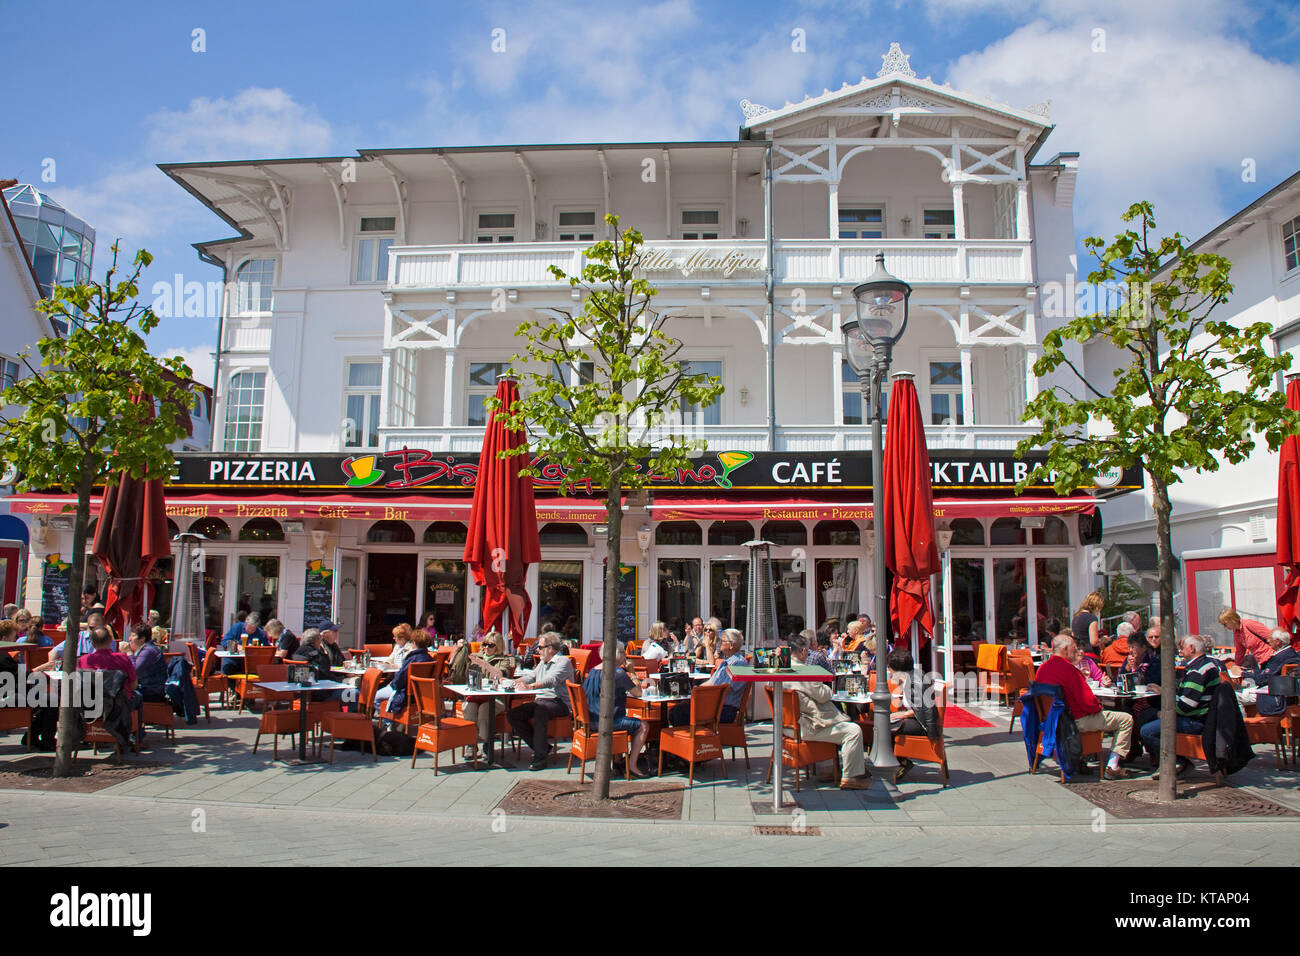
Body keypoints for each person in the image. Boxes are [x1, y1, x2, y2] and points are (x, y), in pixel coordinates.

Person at [1034, 633, 1133, 777]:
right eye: (1074, 649)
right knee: (1126, 719)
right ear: (1065, 649)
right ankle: (1113, 765)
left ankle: (1078, 760)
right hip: (1073, 721)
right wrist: (1099, 707)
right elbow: (1088, 703)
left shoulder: (1042, 668)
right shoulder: (1069, 670)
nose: (1077, 652)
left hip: (1051, 720)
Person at [787, 633, 870, 789]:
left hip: (787, 726)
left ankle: (828, 770)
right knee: (853, 731)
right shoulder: (803, 672)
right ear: (803, 651)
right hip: (805, 726)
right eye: (807, 651)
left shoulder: (782, 669)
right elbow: (824, 695)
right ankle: (850, 777)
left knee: (829, 722)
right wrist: (826, 687)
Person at [1138, 633, 1221, 776]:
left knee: (1147, 731)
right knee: (1145, 715)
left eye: (1182, 648)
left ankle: (1178, 761)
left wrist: (1165, 714)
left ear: (1192, 648)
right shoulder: (1204, 664)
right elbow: (1186, 697)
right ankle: (1159, 758)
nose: (1180, 651)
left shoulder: (1197, 671)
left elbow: (1186, 706)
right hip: (1197, 716)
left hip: (1195, 720)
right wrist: (1164, 691)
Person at [506, 631, 575, 770]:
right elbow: (531, 676)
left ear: (550, 648)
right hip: (541, 701)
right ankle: (542, 747)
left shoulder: (563, 662)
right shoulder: (543, 662)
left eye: (540, 647)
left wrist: (530, 687)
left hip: (559, 702)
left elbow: (551, 680)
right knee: (513, 714)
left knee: (540, 710)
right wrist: (511, 682)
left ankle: (540, 758)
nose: (537, 650)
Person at [583, 642, 650, 777]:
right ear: (616, 654)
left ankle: (618, 761)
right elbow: (638, 692)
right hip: (608, 723)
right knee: (643, 726)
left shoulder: (592, 671)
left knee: (620, 714)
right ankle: (632, 765)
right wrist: (632, 671)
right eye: (623, 652)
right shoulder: (618, 672)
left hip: (591, 721)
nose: (626, 655)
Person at [79, 625, 144, 746]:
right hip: (118, 705)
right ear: (110, 640)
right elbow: (133, 685)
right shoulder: (122, 658)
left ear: (92, 642)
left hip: (90, 706)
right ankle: (135, 738)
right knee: (138, 697)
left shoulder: (83, 661)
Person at [669, 628, 746, 726]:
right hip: (715, 705)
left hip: (725, 709)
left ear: (731, 645)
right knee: (674, 710)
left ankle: (695, 735)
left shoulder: (739, 663)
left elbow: (725, 688)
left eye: (722, 641)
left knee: (679, 712)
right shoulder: (725, 662)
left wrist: (701, 694)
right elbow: (711, 682)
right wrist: (695, 690)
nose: (719, 643)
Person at [462, 631, 514, 759]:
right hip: (475, 696)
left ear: (498, 646)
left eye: (491, 645)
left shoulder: (504, 660)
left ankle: (487, 743)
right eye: (485, 644)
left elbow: (501, 675)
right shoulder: (475, 657)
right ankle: (471, 744)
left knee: (484, 709)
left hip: (495, 698)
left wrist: (484, 664)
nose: (486, 648)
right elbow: (466, 677)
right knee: (469, 708)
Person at [373, 628, 434, 715]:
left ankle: (388, 719)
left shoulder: (412, 659)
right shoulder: (430, 659)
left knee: (374, 698)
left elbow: (400, 678)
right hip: (420, 694)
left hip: (404, 692)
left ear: (414, 643)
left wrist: (392, 684)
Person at [127, 623, 167, 703]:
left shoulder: (149, 651)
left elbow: (133, 670)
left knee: (122, 695)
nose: (129, 639)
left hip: (153, 691)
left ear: (142, 638)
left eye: (133, 635)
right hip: (147, 688)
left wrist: (129, 652)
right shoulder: (145, 649)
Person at [220, 612, 265, 677]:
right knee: (227, 668)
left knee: (260, 670)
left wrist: (258, 649)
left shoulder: (260, 633)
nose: (250, 631)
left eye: (253, 630)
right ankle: (230, 684)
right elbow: (224, 641)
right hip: (234, 659)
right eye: (249, 629)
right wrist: (236, 646)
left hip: (250, 661)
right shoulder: (237, 627)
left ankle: (251, 683)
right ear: (245, 624)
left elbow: (266, 647)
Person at [1071, 591, 1104, 657]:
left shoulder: (1076, 616)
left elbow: (1073, 634)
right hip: (1090, 654)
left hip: (1079, 653)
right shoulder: (1092, 618)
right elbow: (1094, 641)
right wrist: (1103, 640)